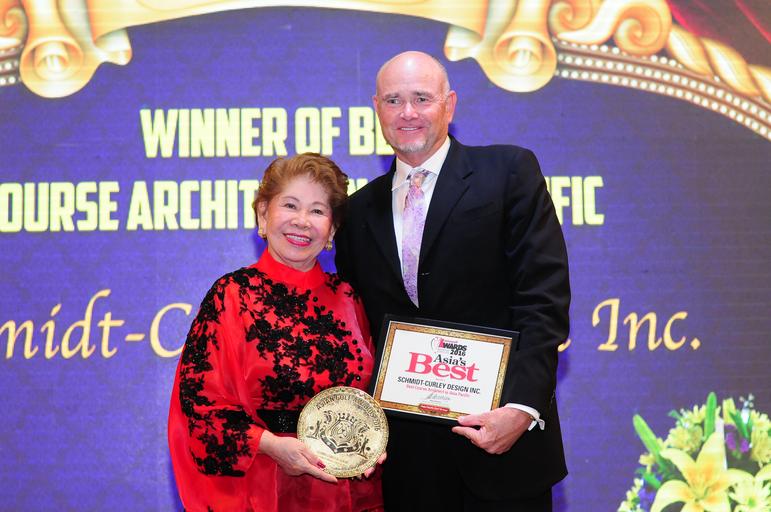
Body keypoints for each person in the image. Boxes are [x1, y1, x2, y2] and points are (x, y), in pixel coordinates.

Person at [334, 51, 570, 511]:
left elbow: (543, 301)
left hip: (502, 447)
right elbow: (357, 334)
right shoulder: (358, 211)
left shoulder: (508, 172)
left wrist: (521, 409)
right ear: (377, 109)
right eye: (393, 100)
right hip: (406, 467)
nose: (407, 112)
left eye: (422, 98)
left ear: (450, 104)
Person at [168, 153, 384, 512]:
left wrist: (374, 440)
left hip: (349, 492)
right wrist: (270, 445)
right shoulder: (232, 295)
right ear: (263, 214)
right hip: (266, 484)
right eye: (290, 205)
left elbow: (374, 395)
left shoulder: (350, 298)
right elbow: (200, 406)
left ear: (332, 230)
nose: (302, 221)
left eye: (318, 211)